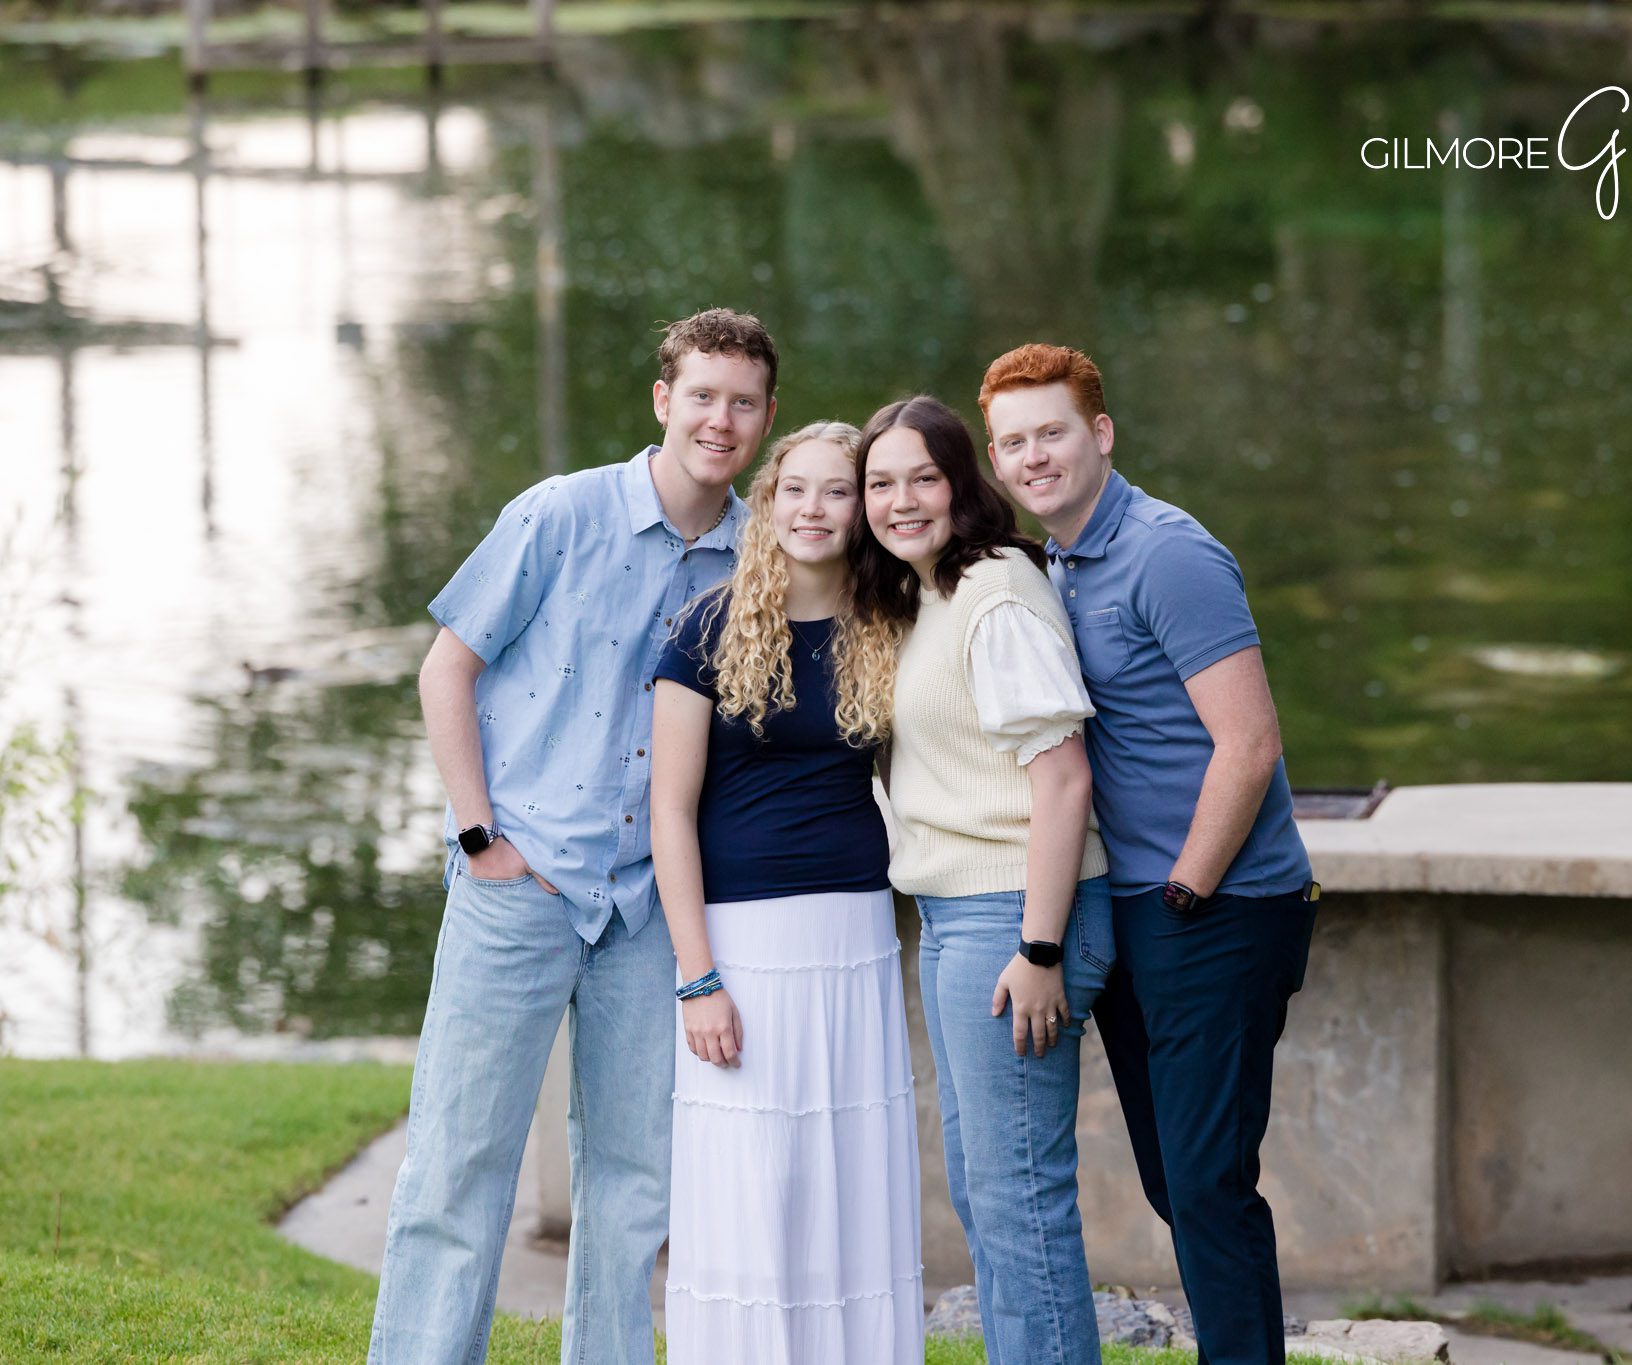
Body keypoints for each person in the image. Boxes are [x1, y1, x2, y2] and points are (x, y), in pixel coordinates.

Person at [367, 308, 777, 1365]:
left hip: (648, 908)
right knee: (459, 1165)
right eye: (701, 397)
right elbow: (444, 669)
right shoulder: (559, 515)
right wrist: (476, 839)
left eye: (741, 403)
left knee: (636, 1183)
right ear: (662, 401)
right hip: (524, 882)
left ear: (765, 417)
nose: (719, 421)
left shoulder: (756, 561)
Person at [978, 343, 1318, 1365]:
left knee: (1207, 1181)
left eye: (1050, 432)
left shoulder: (1169, 553)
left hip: (1216, 905)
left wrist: (1184, 889)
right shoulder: (1053, 564)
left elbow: (1248, 743)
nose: (1032, 457)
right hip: (1131, 909)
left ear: (1100, 434)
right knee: (1177, 1179)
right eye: (1011, 443)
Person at [650, 421, 924, 1364]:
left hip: (853, 935)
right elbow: (669, 814)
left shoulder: (890, 626)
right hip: (740, 947)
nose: (814, 509)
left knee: (850, 1178)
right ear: (767, 503)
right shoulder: (704, 627)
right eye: (795, 490)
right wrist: (697, 977)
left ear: (864, 508)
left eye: (837, 491)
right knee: (749, 1183)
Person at [853, 393, 1111, 1365]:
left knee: (1019, 1204)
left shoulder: (994, 590)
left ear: (964, 484)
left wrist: (1038, 949)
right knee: (986, 1192)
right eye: (881, 482)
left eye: (923, 476)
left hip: (1013, 916)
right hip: (961, 915)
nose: (900, 499)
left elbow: (1061, 778)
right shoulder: (926, 594)